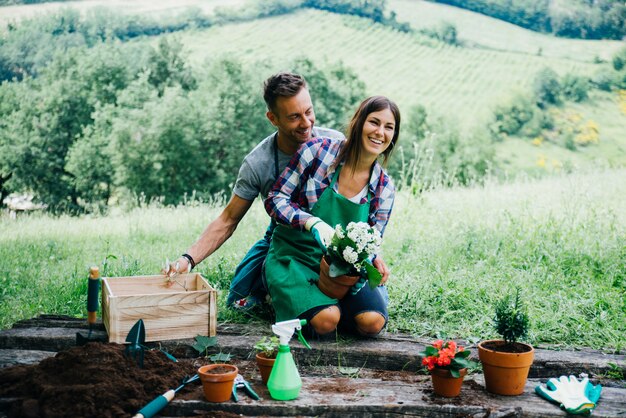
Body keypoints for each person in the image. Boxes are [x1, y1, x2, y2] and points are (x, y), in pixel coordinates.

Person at [164, 73, 390, 309]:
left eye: (309, 112)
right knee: (241, 301)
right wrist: (187, 260)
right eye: (294, 117)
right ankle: (278, 290)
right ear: (273, 118)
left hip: (332, 243)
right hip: (283, 239)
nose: (306, 123)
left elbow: (362, 205)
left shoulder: (335, 142)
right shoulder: (258, 163)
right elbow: (228, 220)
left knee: (364, 308)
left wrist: (368, 254)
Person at [264, 95, 400, 337]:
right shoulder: (316, 153)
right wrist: (311, 221)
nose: (380, 132)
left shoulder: (384, 188)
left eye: (389, 127)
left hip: (342, 270)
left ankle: (333, 306)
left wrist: (372, 260)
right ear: (358, 122)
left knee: (372, 323)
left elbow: (371, 242)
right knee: (327, 321)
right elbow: (275, 199)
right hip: (296, 257)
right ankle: (309, 305)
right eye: (374, 122)